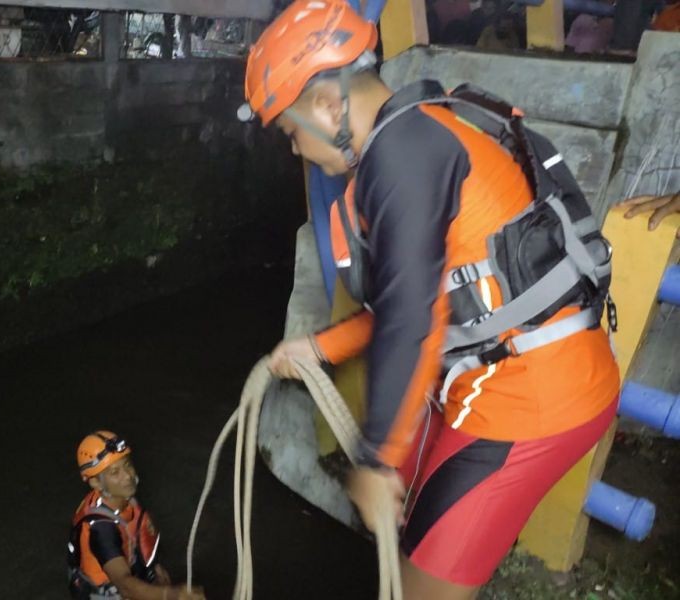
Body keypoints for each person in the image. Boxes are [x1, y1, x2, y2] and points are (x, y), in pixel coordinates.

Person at [239, 1, 619, 598]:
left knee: (420, 584)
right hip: (516, 374)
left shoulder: (400, 155)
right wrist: (318, 346)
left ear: (327, 106)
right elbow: (411, 301)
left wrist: (375, 459)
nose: (296, 152)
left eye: (290, 135)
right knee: (417, 521)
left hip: (528, 398)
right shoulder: (421, 131)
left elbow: (412, 319)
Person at [68, 431, 206, 600]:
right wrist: (172, 595)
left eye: (127, 465)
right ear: (95, 482)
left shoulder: (120, 498)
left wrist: (153, 567)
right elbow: (125, 586)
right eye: (114, 473)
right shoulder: (101, 529)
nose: (127, 476)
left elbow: (134, 536)